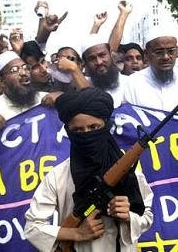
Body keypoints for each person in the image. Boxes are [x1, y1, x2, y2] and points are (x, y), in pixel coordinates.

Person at [24, 87, 153, 252]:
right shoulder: (58, 177)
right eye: (77, 130)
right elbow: (32, 228)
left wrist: (129, 216)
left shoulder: (127, 171)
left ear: (106, 126)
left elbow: (147, 217)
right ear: (69, 133)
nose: (86, 135)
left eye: (94, 127)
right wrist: (76, 233)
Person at [124, 31, 178, 111]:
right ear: (146, 54)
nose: (166, 57)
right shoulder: (132, 83)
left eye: (171, 51)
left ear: (176, 52)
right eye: (159, 52)